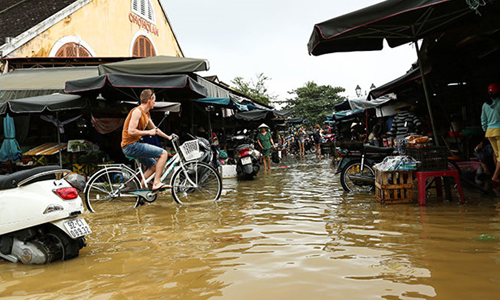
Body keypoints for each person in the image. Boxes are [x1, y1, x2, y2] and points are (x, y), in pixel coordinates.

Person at [121, 89, 173, 191]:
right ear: (150, 100)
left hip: (134, 145)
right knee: (164, 154)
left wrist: (168, 137)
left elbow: (155, 130)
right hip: (131, 146)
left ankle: (142, 189)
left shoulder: (147, 114)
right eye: (154, 100)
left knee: (153, 166)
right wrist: (148, 132)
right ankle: (157, 182)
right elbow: (131, 131)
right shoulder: (137, 111)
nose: (154, 103)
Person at [481, 83, 500, 184]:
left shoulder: (485, 105)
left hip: (489, 132)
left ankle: (497, 175)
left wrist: (485, 131)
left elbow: (483, 120)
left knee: (496, 155)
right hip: (499, 131)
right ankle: (495, 177)